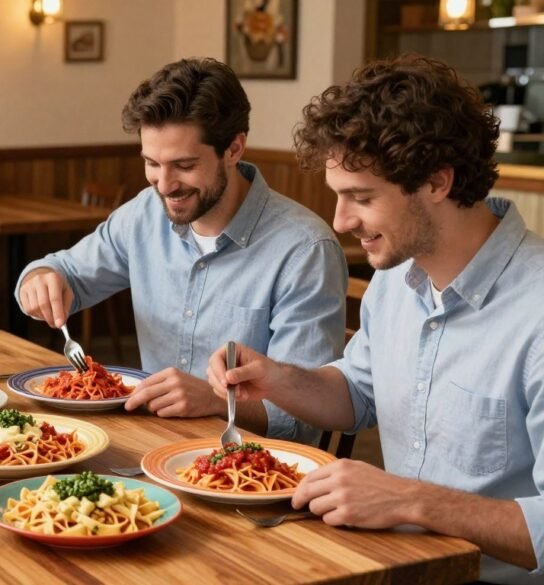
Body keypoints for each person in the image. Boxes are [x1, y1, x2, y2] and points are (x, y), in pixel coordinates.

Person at [207, 54, 544, 583]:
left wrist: (411, 500)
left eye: (360, 198)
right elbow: (357, 395)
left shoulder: (537, 312)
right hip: (387, 564)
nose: (340, 221)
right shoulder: (397, 278)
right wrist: (276, 379)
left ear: (437, 182)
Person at [17, 58, 347, 441]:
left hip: (253, 474)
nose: (165, 185)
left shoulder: (304, 250)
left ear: (234, 148)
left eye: (184, 165)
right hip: (150, 445)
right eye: (152, 163)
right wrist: (41, 278)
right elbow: (64, 271)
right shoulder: (144, 213)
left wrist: (216, 400)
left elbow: (306, 416)